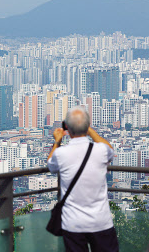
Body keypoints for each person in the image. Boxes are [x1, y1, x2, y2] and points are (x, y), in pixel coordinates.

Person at [47, 106, 119, 252]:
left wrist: (57, 141)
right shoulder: (101, 150)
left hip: (73, 223)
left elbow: (51, 165)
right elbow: (110, 149)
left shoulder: (61, 154)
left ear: (66, 127)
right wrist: (89, 130)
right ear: (87, 126)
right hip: (101, 221)